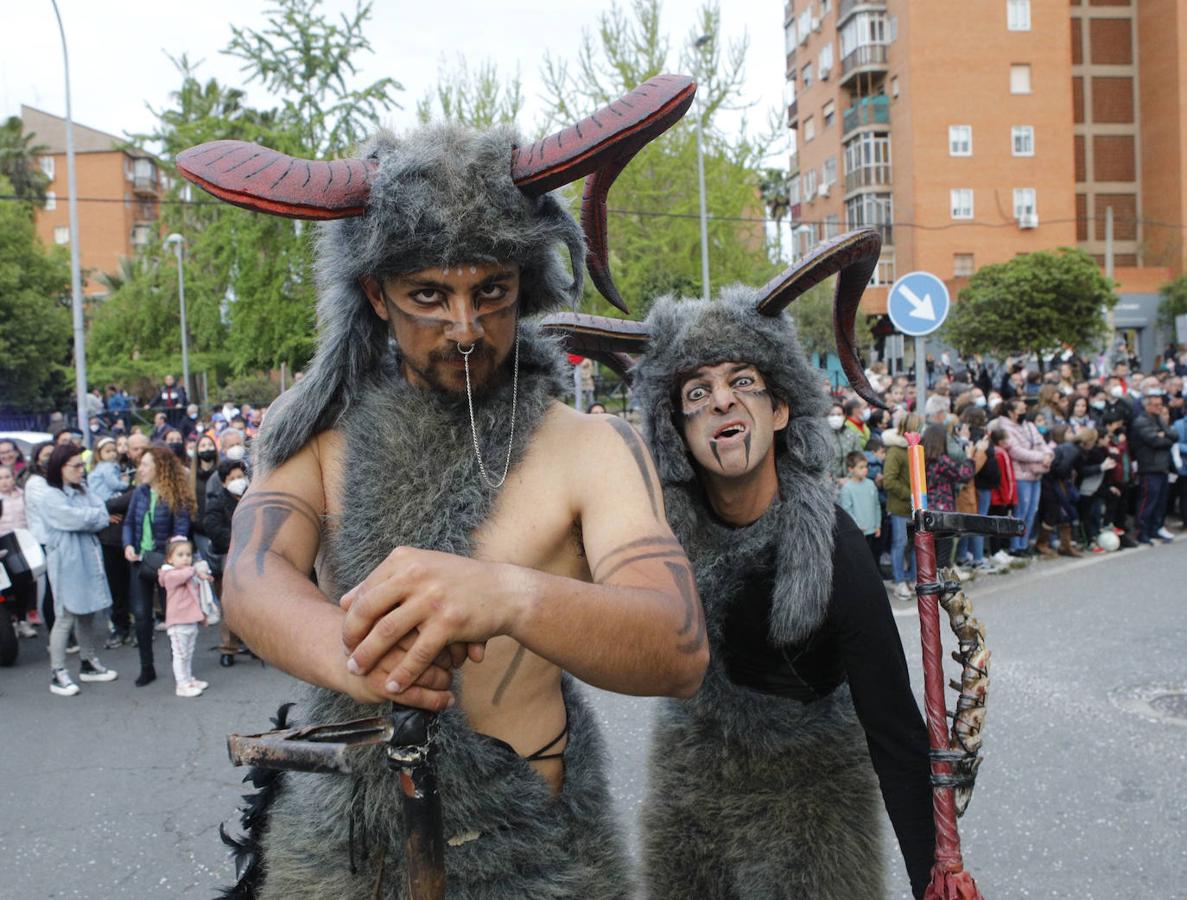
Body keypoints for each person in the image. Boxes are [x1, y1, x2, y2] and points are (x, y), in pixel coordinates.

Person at [178, 89, 708, 897]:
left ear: (524, 286)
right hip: (345, 851)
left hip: (531, 852)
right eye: (429, 295)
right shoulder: (318, 432)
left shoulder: (591, 445)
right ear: (376, 295)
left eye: (490, 291)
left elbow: (676, 645)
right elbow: (251, 581)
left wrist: (507, 596)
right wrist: (358, 660)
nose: (465, 326)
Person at [628, 258, 934, 899]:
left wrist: (936, 875)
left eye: (743, 380)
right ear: (678, 429)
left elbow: (895, 730)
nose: (720, 400)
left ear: (780, 410)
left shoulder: (832, 544)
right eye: (696, 392)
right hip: (694, 790)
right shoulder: (658, 535)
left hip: (813, 800)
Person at [40, 445, 119, 697]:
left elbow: (102, 513)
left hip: (88, 557)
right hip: (66, 561)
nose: (80, 470)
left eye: (81, 465)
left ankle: (88, 662)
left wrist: (90, 517)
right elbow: (71, 518)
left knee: (88, 611)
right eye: (74, 466)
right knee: (65, 616)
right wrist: (91, 518)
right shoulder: (49, 495)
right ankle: (58, 671)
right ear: (59, 468)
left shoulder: (84, 489)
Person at [123, 446, 194, 686]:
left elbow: (181, 531)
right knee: (142, 616)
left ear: (159, 468)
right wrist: (128, 546)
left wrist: (173, 559)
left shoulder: (176, 493)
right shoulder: (139, 493)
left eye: (145, 464)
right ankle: (147, 667)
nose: (140, 469)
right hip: (139, 562)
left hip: (166, 567)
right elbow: (129, 523)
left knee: (173, 616)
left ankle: (180, 669)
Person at [204, 458, 249, 667]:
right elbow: (213, 529)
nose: (238, 481)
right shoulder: (217, 502)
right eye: (233, 478)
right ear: (223, 482)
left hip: (253, 556)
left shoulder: (252, 496)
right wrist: (239, 537)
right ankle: (228, 647)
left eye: (240, 476)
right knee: (229, 603)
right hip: (229, 555)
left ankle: (253, 643)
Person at [157, 538, 212, 698]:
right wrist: (196, 570)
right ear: (169, 559)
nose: (185, 558)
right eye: (180, 555)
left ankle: (188, 679)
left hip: (190, 621)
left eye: (188, 554)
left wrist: (202, 616)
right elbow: (184, 574)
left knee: (188, 653)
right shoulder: (169, 575)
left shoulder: (188, 574)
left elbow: (196, 597)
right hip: (178, 623)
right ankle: (181, 684)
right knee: (180, 655)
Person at [997, 398, 1052, 556]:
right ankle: (1015, 545)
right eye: (1019, 409)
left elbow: (1041, 443)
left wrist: (1048, 454)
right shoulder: (1005, 428)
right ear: (1011, 412)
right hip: (1020, 474)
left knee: (1032, 510)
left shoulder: (1029, 425)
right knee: (1021, 511)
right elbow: (1016, 451)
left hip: (1036, 473)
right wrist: (1041, 457)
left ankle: (1024, 543)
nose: (1023, 412)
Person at [883, 411, 923, 600]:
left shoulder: (917, 448)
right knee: (900, 544)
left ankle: (915, 579)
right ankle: (900, 581)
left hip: (917, 506)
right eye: (918, 426)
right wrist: (911, 495)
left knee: (916, 544)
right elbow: (889, 481)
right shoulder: (896, 450)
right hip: (900, 507)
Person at [1130, 391, 1176, 544]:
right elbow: (1155, 441)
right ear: (1147, 406)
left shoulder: (1158, 419)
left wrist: (1164, 435)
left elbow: (1173, 435)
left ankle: (1155, 529)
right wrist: (1163, 437)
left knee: (1161, 501)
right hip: (1149, 466)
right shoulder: (1141, 421)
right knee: (1148, 502)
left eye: (1160, 405)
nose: (1158, 408)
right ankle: (1142, 531)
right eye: (1155, 405)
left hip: (1162, 466)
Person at [0, 464, 39, 638]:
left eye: (7, 477)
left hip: (23, 542)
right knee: (7, 586)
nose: (4, 481)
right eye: (0, 478)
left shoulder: (23, 496)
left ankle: (23, 619)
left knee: (24, 583)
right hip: (3, 544)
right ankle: (10, 622)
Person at [840, 450, 882, 560]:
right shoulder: (847, 488)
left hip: (872, 530)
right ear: (851, 469)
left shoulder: (870, 484)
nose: (865, 470)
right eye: (861, 467)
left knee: (873, 557)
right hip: (858, 532)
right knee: (860, 559)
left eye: (866, 466)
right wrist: (857, 526)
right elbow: (847, 510)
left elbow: (876, 505)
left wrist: (877, 525)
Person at [827, 401, 863, 481]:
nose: (836, 417)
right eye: (832, 414)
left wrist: (850, 478)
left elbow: (858, 457)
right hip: (830, 483)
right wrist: (836, 480)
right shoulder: (822, 436)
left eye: (839, 414)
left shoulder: (852, 435)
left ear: (844, 416)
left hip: (851, 481)